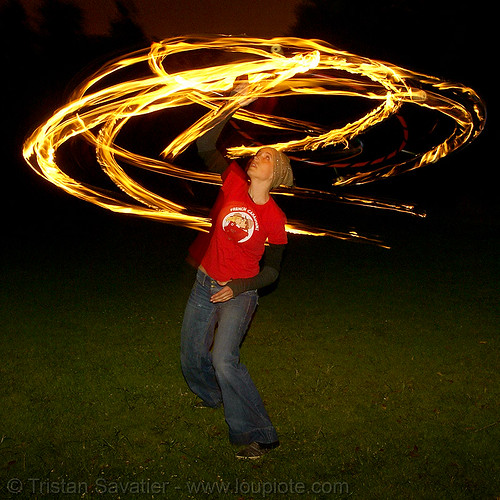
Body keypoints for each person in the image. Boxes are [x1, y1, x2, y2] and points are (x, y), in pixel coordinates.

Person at [180, 111, 293, 460]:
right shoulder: (231, 180)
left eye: (266, 158)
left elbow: (272, 271)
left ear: (275, 174)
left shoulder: (274, 218)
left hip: (239, 293)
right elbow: (204, 145)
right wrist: (229, 103)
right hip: (204, 282)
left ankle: (260, 433)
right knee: (191, 355)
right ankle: (213, 396)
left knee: (224, 360)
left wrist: (241, 286)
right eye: (258, 153)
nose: (257, 157)